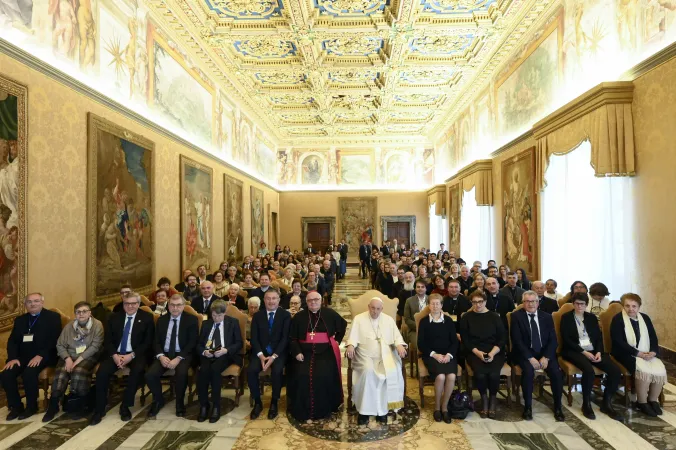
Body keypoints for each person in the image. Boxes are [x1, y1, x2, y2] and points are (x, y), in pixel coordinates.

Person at [91, 293, 155, 425]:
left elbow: (147, 342)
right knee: (102, 372)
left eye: (133, 303)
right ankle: (99, 409)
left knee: (137, 371)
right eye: (127, 303)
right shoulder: (113, 317)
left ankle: (125, 406)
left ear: (138, 304)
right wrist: (115, 355)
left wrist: (130, 356)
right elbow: (108, 340)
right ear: (123, 304)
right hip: (115, 354)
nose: (130, 306)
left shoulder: (147, 317)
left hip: (136, 354)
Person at [560, 292, 622, 421]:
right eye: (577, 303)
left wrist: (599, 352)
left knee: (615, 371)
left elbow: (598, 338)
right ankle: (586, 404)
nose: (579, 306)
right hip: (574, 350)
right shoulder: (566, 317)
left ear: (586, 305)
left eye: (582, 304)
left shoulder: (591, 318)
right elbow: (567, 340)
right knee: (588, 370)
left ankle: (606, 403)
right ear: (573, 304)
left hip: (593, 350)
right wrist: (584, 352)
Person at [287, 291, 347, 421]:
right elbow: (292, 338)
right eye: (310, 300)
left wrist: (337, 341)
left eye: (316, 299)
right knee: (302, 374)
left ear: (321, 301)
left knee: (324, 374)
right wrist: (297, 352)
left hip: (325, 351)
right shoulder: (299, 317)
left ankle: (325, 408)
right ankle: (302, 408)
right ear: (306, 302)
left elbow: (343, 325)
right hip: (304, 353)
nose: (313, 302)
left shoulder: (329, 313)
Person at [1, 293, 62, 420]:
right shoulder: (20, 320)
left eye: (36, 301)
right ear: (25, 305)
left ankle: (31, 406)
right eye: (29, 302)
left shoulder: (53, 317)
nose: (33, 304)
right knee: (6, 373)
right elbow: (13, 341)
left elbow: (55, 339)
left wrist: (41, 355)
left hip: (45, 355)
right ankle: (16, 406)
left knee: (29, 372)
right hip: (22, 356)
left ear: (42, 302)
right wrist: (12, 358)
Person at [42, 301, 104, 422]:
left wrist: (77, 361)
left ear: (90, 313)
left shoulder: (97, 325)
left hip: (88, 355)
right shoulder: (69, 326)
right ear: (75, 314)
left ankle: (79, 404)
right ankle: (53, 405)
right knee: (60, 374)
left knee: (78, 371)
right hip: (69, 355)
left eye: (84, 311)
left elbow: (95, 346)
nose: (81, 314)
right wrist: (67, 359)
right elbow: (60, 345)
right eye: (78, 312)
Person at [510, 291, 565, 422]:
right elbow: (517, 341)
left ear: (538, 302)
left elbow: (553, 340)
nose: (531, 304)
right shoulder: (516, 316)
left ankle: (558, 407)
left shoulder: (546, 317)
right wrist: (530, 358)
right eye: (527, 301)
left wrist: (546, 357)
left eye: (533, 301)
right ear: (523, 303)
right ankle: (527, 407)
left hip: (544, 353)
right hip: (525, 353)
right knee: (528, 372)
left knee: (556, 373)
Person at [611, 293, 666, 417]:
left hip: (646, 352)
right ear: (623, 306)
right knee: (643, 370)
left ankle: (652, 400)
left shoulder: (645, 318)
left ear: (639, 307)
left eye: (634, 306)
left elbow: (653, 337)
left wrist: (653, 351)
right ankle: (642, 402)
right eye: (627, 306)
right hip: (624, 353)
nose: (631, 309)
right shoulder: (618, 319)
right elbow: (618, 342)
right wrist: (638, 353)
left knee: (659, 368)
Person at [145, 294, 198, 418]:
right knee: (150, 375)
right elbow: (156, 341)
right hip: (165, 354)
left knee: (181, 373)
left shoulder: (191, 320)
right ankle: (158, 400)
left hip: (183, 354)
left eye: (178, 305)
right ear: (168, 306)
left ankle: (179, 403)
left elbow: (192, 342)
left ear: (183, 306)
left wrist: (178, 358)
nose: (175, 308)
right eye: (172, 305)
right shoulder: (161, 320)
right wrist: (160, 356)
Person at [459, 290, 505, 419]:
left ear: (485, 302)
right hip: (474, 351)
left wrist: (492, 353)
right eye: (474, 302)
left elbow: (502, 338)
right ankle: (484, 399)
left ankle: (493, 399)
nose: (477, 305)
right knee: (480, 373)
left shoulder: (495, 316)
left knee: (494, 373)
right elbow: (466, 340)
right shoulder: (466, 317)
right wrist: (478, 353)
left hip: (495, 351)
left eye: (480, 302)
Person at [196, 300, 243, 423]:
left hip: (225, 355)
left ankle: (216, 406)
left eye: (219, 316)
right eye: (214, 315)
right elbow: (199, 344)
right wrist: (204, 352)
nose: (216, 318)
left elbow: (239, 343)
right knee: (203, 371)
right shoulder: (206, 324)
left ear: (224, 313)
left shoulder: (232, 323)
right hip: (208, 355)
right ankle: (204, 405)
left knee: (215, 370)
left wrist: (225, 350)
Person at [249, 289, 291, 420]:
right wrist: (261, 355)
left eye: (274, 298)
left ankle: (274, 402)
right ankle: (257, 402)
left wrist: (273, 356)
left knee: (277, 371)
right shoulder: (257, 316)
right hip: (261, 352)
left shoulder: (285, 315)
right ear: (264, 300)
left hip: (278, 352)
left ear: (279, 300)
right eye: (268, 298)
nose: (271, 301)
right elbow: (254, 338)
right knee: (251, 371)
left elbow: (285, 338)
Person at [417, 294, 458, 423]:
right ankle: (436, 407)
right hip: (431, 356)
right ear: (428, 306)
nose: (435, 306)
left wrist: (448, 355)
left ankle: (444, 407)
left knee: (451, 376)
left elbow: (454, 342)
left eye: (437, 304)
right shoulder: (424, 321)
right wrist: (435, 354)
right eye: (432, 304)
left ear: (441, 305)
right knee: (440, 376)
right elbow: (421, 344)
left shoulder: (449, 320)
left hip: (447, 355)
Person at [403, 280, 428, 344]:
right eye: (418, 287)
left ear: (426, 288)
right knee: (419, 344)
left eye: (422, 287)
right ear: (415, 289)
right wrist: (419, 326)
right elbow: (407, 319)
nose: (420, 289)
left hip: (430, 329)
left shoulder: (431, 299)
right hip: (414, 330)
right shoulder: (409, 301)